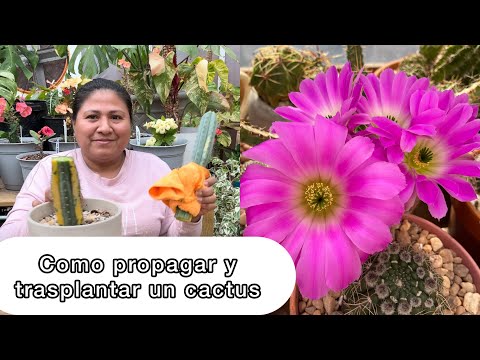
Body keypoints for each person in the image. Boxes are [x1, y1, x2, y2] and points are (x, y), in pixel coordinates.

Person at [0, 78, 216, 240]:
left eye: (116, 117)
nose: (104, 128)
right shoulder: (48, 170)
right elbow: (7, 240)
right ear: (74, 124)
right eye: (92, 117)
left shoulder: (155, 168)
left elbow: (176, 244)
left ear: (130, 125)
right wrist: (42, 217)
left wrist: (190, 213)